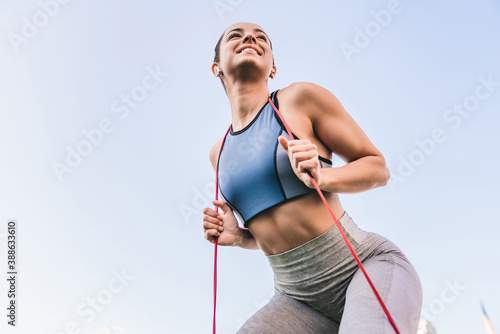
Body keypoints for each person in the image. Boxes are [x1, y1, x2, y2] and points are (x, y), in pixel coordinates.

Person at [202, 22, 422, 334]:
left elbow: (377, 168)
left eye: (261, 37)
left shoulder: (299, 98)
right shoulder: (218, 153)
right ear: (216, 68)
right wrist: (239, 238)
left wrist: (323, 176)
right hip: (295, 299)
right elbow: (276, 227)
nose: (250, 38)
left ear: (273, 68)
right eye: (235, 36)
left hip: (364, 267)